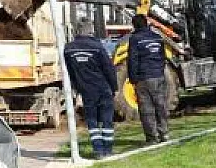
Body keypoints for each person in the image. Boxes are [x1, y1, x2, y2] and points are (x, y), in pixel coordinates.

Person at [64, 17, 118, 158]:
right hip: (103, 88)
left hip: (86, 90)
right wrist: (114, 88)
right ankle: (107, 149)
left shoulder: (68, 49)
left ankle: (98, 150)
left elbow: (69, 72)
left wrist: (76, 88)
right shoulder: (98, 47)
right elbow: (109, 69)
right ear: (91, 31)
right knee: (107, 119)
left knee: (92, 120)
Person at [128, 14, 170, 143]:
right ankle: (164, 133)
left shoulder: (135, 39)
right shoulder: (157, 38)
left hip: (144, 77)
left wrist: (133, 79)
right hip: (159, 76)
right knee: (160, 105)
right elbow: (163, 57)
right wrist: (159, 70)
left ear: (134, 25)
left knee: (146, 108)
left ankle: (152, 136)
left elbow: (133, 60)